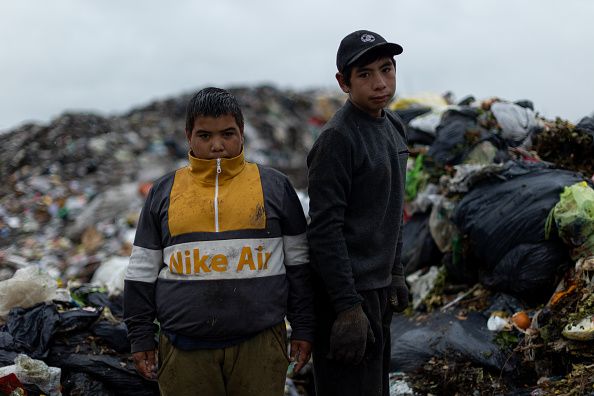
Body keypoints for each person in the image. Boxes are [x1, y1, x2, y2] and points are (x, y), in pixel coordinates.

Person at [124, 87, 314, 396]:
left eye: (227, 133)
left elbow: (299, 266)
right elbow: (141, 272)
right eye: (204, 135)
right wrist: (140, 337)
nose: (217, 145)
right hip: (183, 350)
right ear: (189, 136)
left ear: (242, 133)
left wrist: (304, 328)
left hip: (261, 344)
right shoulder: (164, 191)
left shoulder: (275, 187)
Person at [306, 30, 409, 396]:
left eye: (387, 69)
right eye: (365, 74)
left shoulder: (393, 127)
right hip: (345, 295)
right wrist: (347, 306)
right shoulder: (338, 139)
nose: (380, 83)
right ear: (343, 82)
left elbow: (394, 208)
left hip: (377, 291)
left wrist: (395, 271)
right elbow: (324, 230)